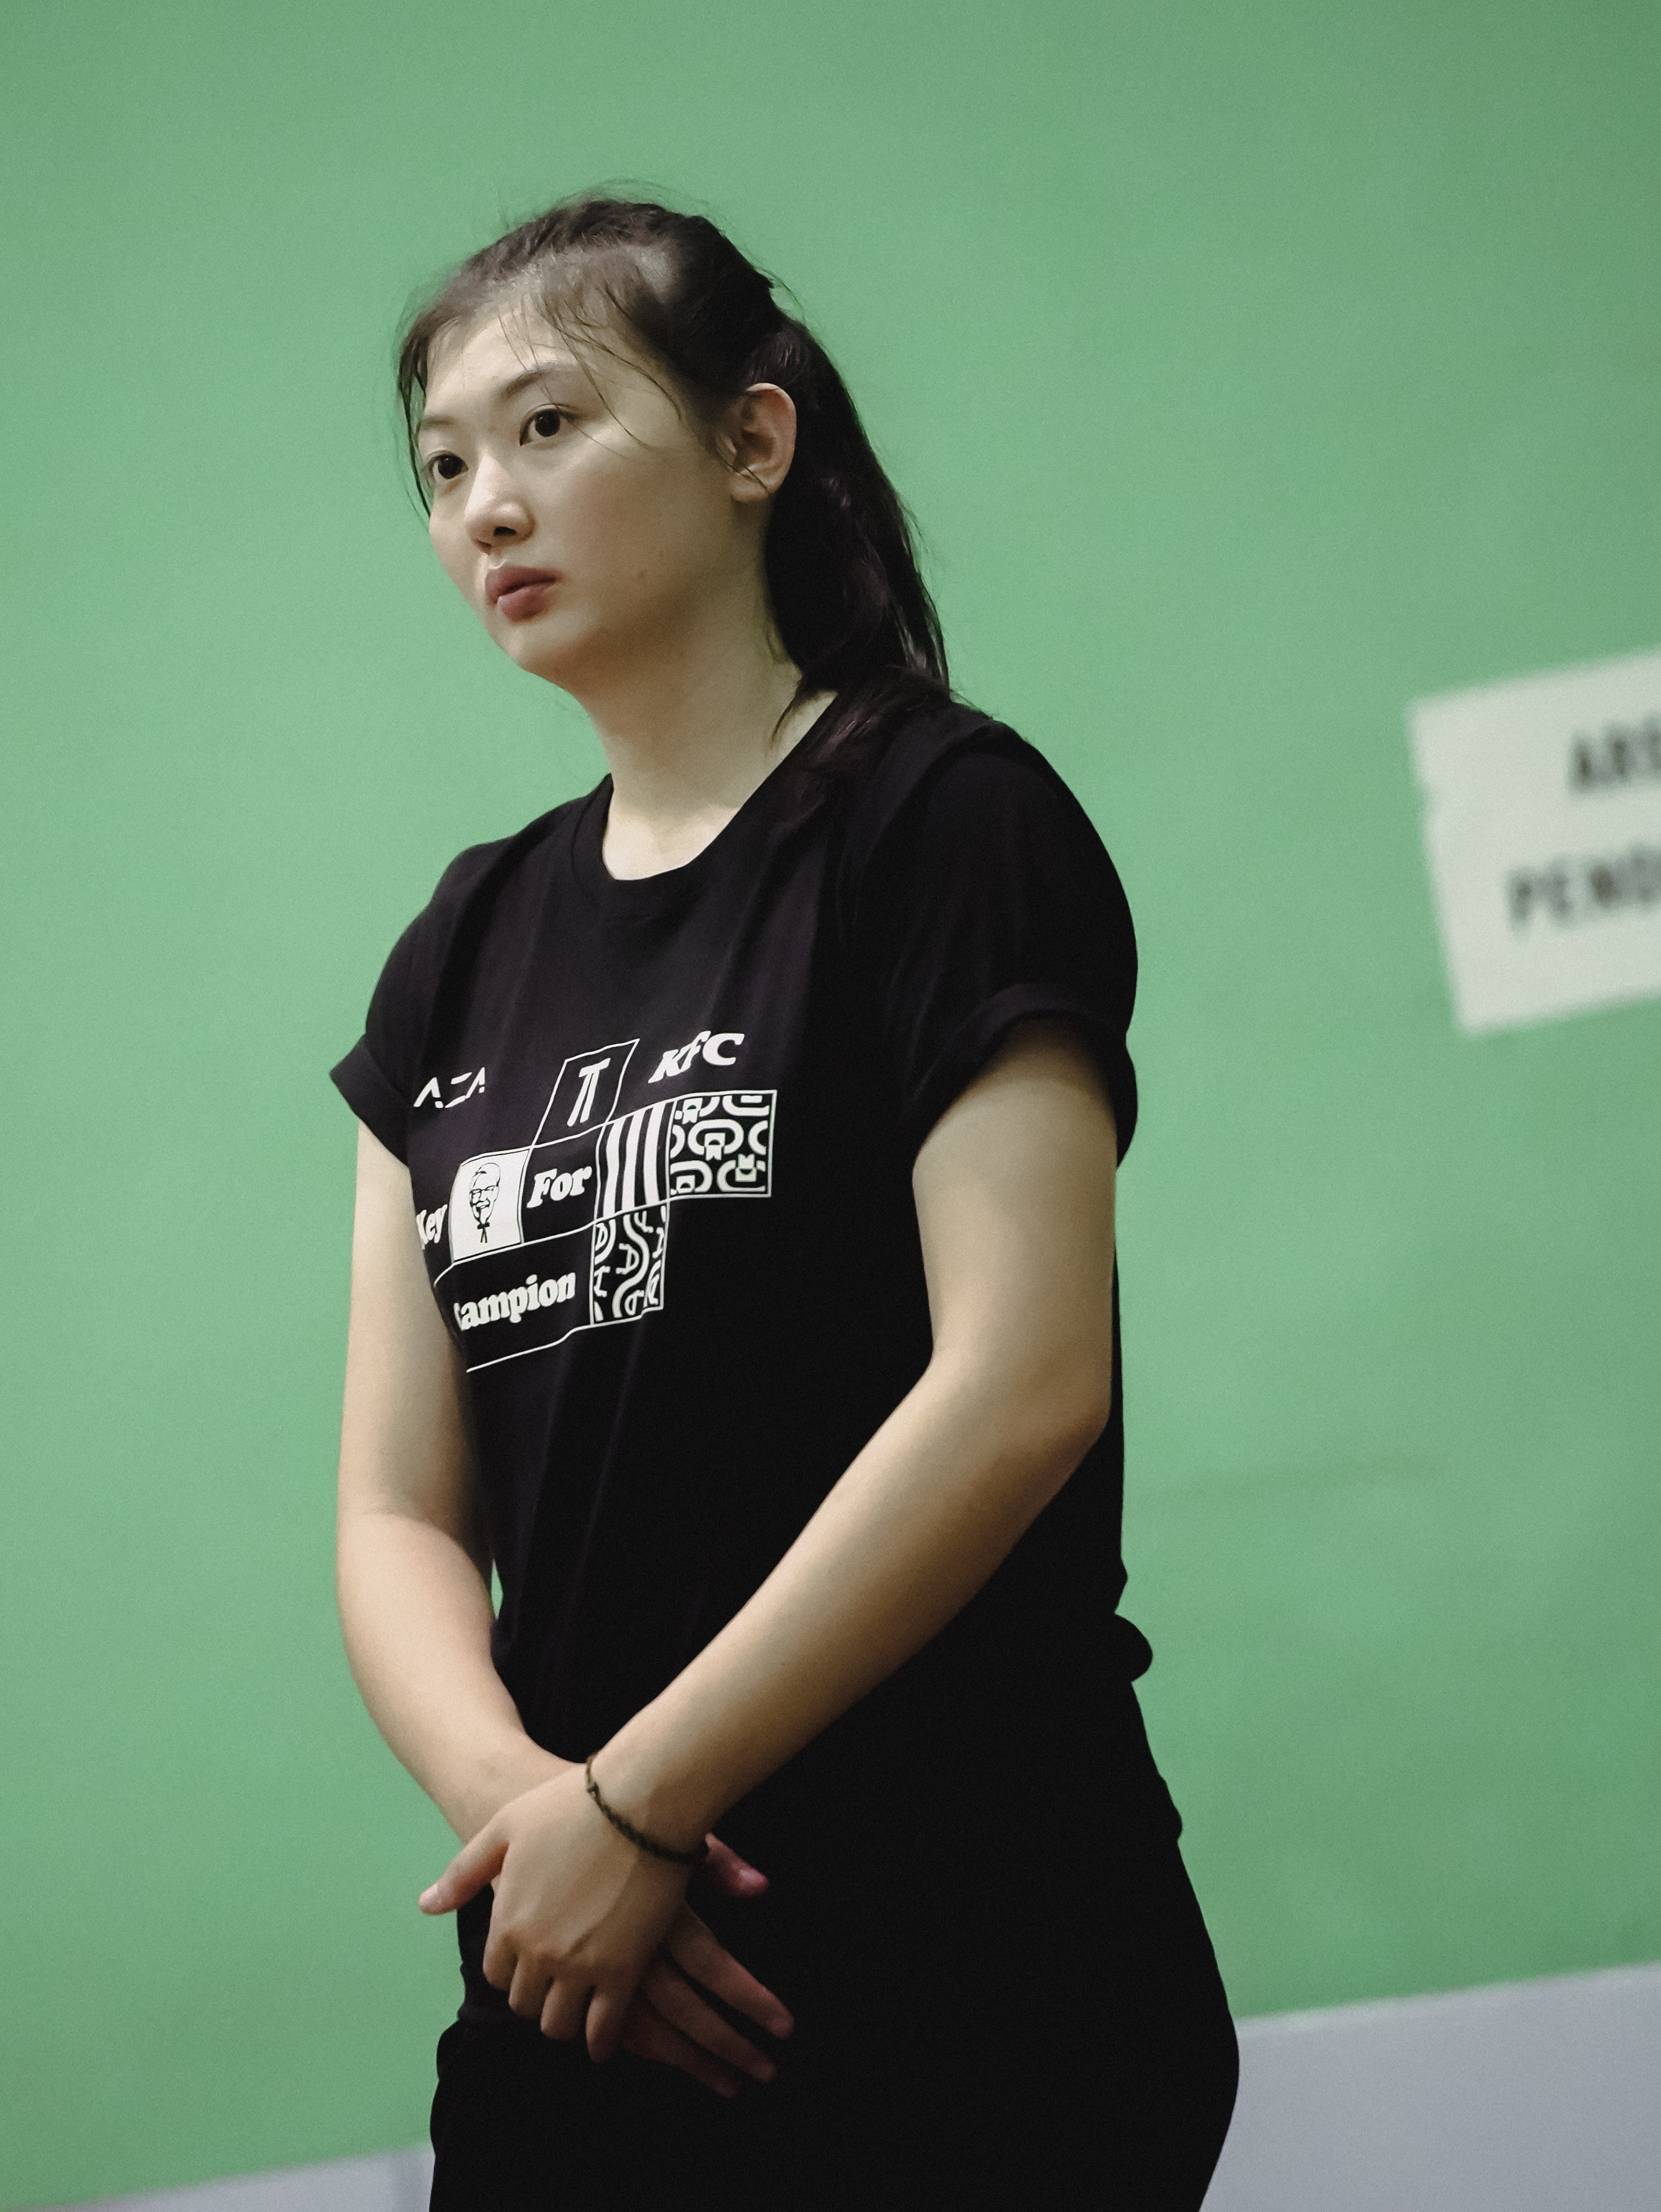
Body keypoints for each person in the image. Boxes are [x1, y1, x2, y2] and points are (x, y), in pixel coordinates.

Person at [330, 195, 1236, 2208]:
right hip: (587, 1983)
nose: (489, 507)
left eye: (549, 427)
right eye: (444, 468)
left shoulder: (943, 821)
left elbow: (1020, 1384)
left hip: (970, 1958)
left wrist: (646, 1807)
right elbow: (396, 1511)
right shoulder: (459, 950)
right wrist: (539, 1825)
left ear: (753, 443)